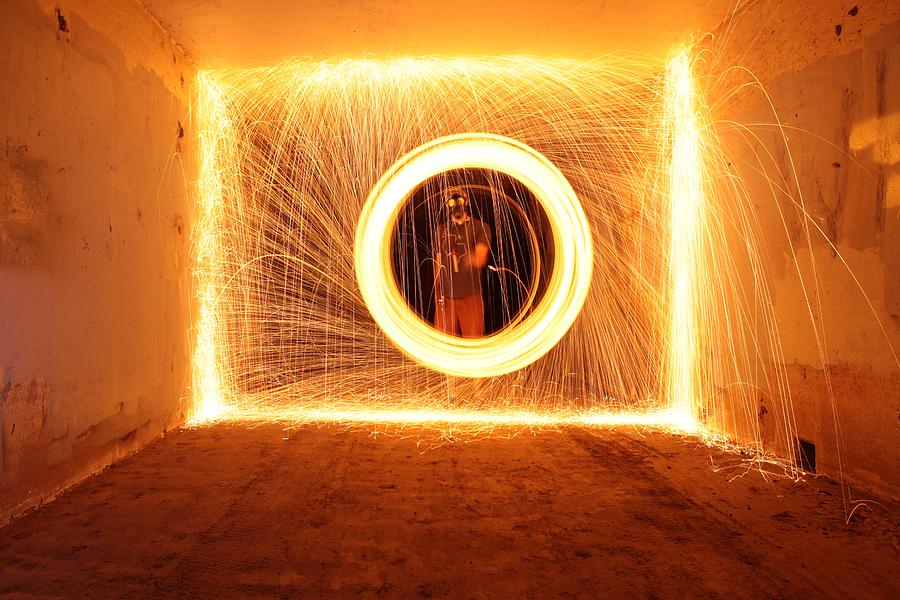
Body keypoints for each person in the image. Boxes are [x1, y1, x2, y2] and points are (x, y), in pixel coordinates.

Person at [432, 187, 492, 337]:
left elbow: (481, 257)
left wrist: (468, 258)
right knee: (444, 346)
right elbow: (438, 263)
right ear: (447, 205)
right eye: (451, 201)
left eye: (459, 200)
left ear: (466, 201)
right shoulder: (440, 230)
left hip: (470, 296)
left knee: (473, 343)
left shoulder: (479, 227)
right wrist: (437, 294)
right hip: (445, 299)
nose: (456, 205)